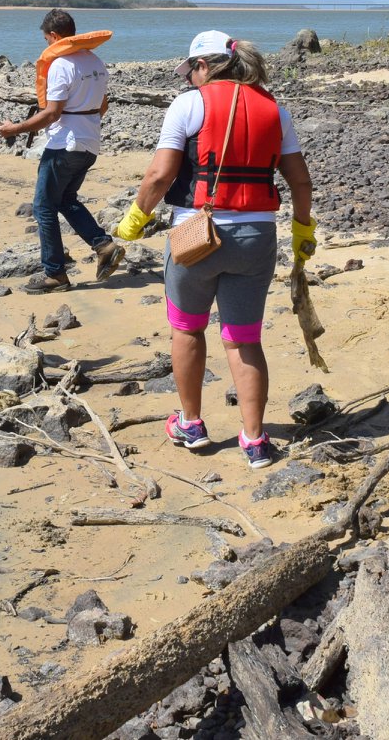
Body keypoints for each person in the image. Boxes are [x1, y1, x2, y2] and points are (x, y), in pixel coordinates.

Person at [112, 31, 316, 469]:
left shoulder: (189, 104)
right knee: (244, 339)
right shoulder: (275, 109)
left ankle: (191, 423)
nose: (188, 79)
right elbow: (299, 180)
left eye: (189, 71)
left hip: (195, 234)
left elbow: (159, 176)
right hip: (256, 237)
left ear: (204, 66)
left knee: (187, 329)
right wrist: (303, 229)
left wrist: (134, 220)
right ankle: (256, 441)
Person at [0, 8, 126, 293]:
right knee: (66, 199)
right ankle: (104, 246)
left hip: (64, 146)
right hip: (89, 143)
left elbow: (52, 113)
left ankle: (55, 274)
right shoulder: (95, 61)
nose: (47, 45)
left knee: (44, 207)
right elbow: (102, 106)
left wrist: (14, 128)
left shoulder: (60, 64)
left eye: (46, 40)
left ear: (54, 36)